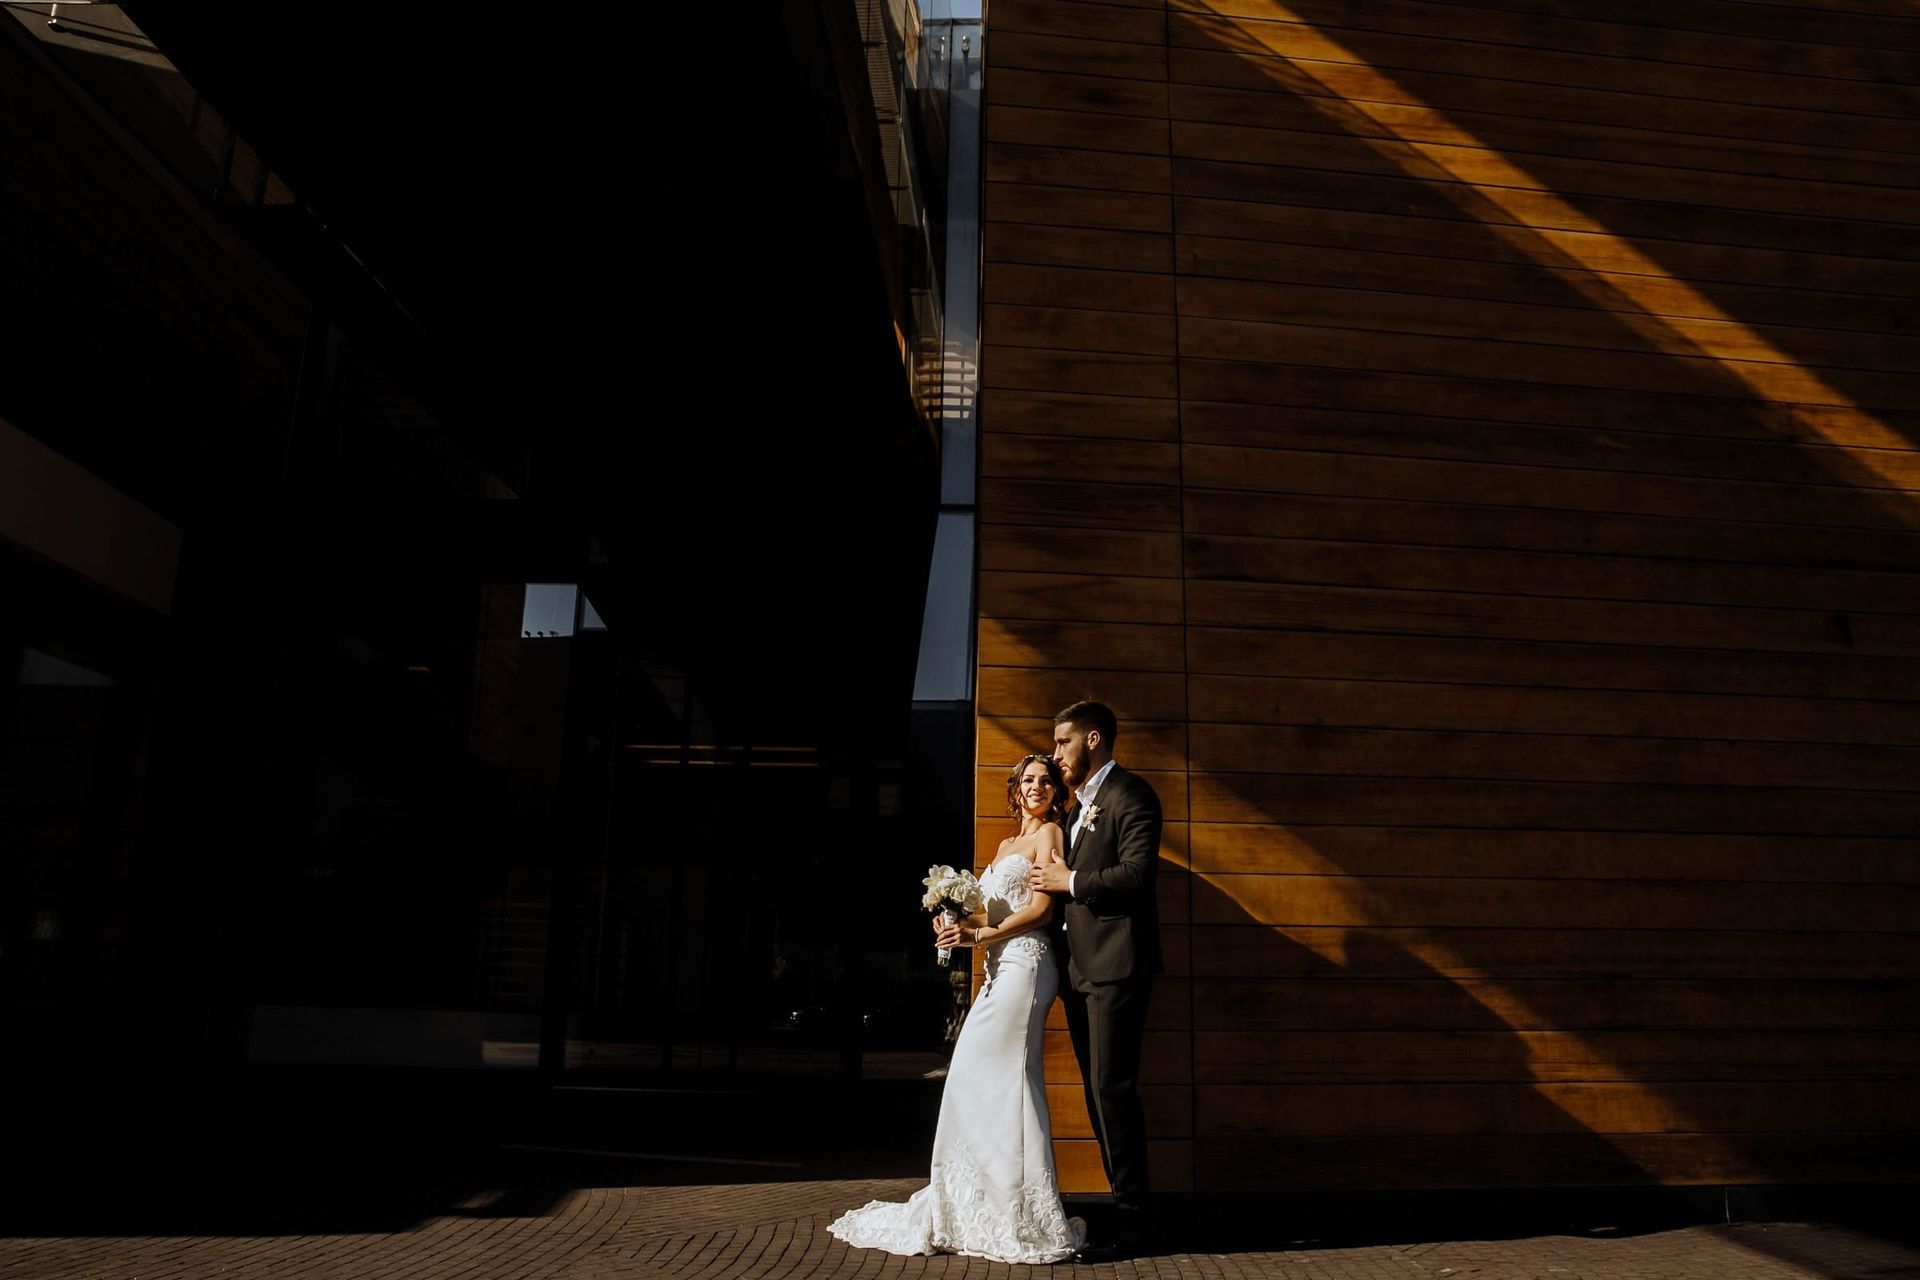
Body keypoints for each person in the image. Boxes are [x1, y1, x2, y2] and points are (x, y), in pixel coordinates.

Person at [828, 755, 1086, 1264]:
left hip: (1026, 968)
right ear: (1015, 790)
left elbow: (1040, 910)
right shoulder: (1006, 845)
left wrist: (984, 933)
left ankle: (1021, 1212)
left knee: (1008, 1080)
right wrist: (959, 923)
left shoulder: (1049, 835)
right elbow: (991, 910)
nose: (1036, 787)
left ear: (1056, 792)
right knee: (977, 1081)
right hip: (996, 972)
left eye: (1045, 781)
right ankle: (982, 1202)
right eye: (1028, 780)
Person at [1028, 699, 1163, 1259]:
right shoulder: (1081, 804)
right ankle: (1122, 1207)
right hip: (1082, 973)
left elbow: (1137, 874)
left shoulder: (1131, 794)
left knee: (1114, 1091)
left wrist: (1070, 878)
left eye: (1062, 742)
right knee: (1096, 1092)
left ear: (1093, 740)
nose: (1055, 753)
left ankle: (1136, 1223)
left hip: (1117, 967)